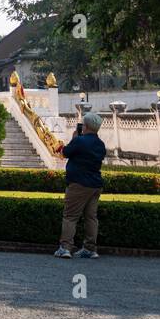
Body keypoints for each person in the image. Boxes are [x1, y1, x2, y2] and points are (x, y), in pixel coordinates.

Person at [55, 111, 107, 259]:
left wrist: (73, 140)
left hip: (79, 183)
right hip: (95, 184)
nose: (82, 126)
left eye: (83, 124)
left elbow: (65, 152)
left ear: (87, 126)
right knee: (91, 217)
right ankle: (90, 248)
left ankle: (65, 247)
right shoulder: (100, 144)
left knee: (70, 216)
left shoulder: (80, 141)